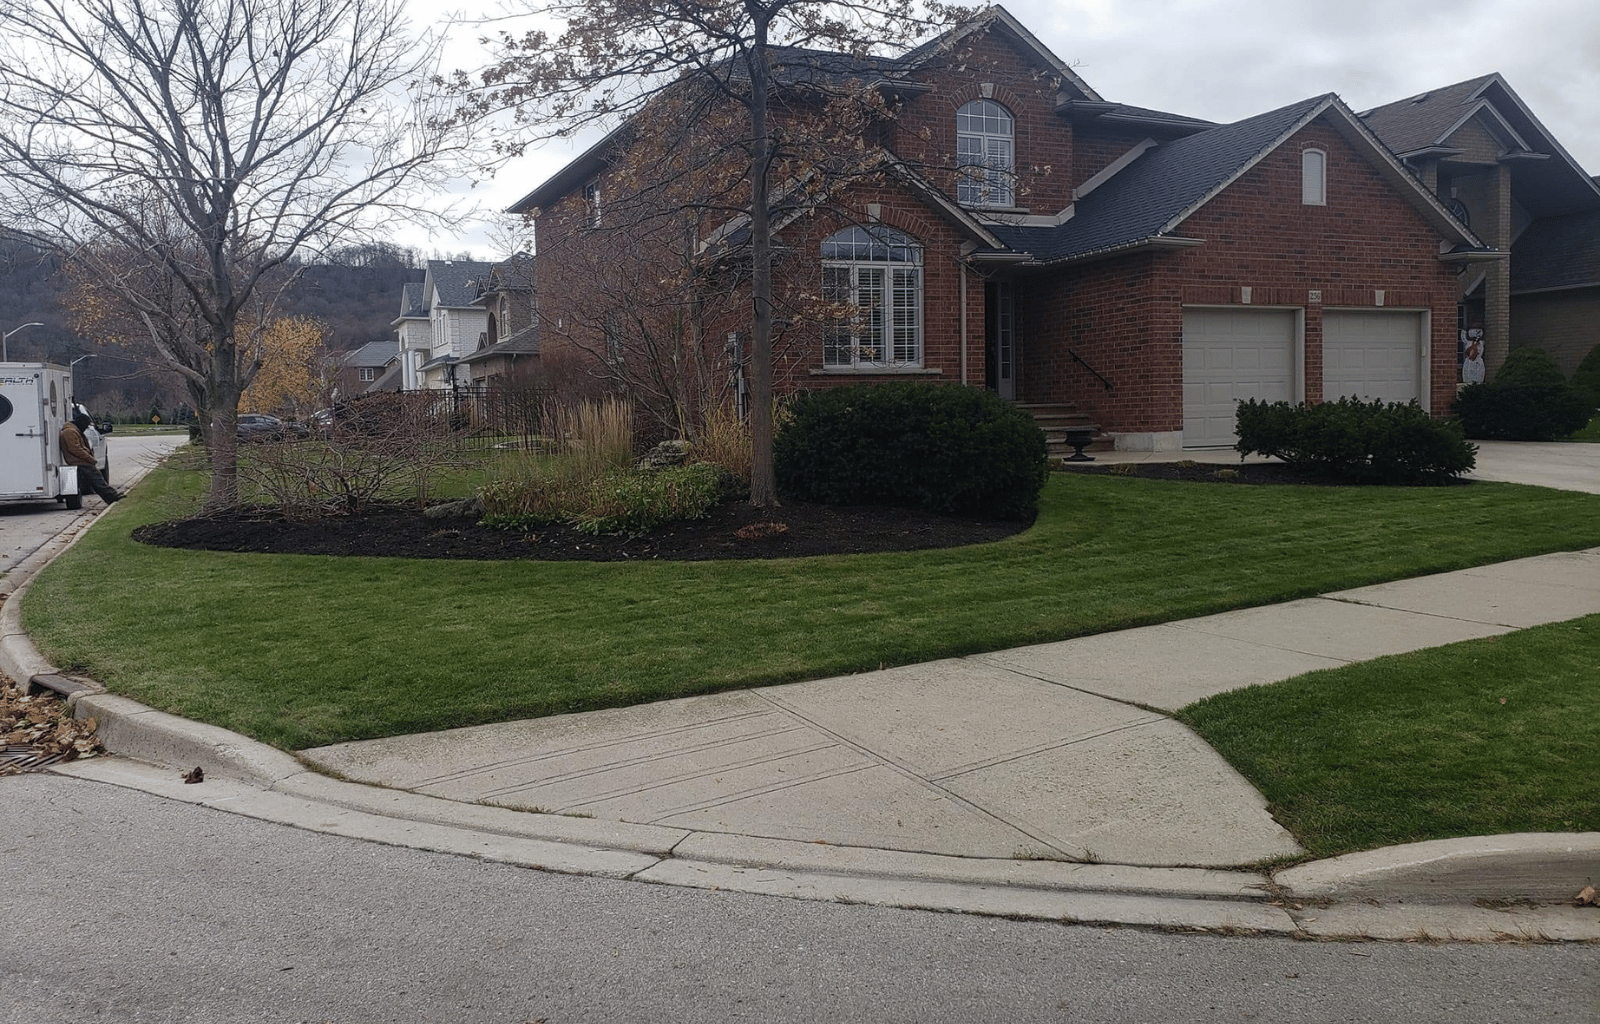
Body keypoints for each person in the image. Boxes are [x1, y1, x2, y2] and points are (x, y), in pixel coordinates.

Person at [59, 409, 122, 505]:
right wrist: (90, 459)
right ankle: (111, 496)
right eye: (86, 425)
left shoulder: (73, 430)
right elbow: (75, 449)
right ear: (81, 423)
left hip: (79, 460)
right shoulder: (70, 432)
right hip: (77, 461)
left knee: (96, 479)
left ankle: (111, 496)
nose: (86, 428)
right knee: (96, 478)